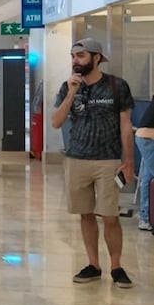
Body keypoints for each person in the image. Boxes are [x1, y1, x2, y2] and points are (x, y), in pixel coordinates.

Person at [50, 38, 135, 289]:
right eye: (73, 56)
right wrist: (72, 91)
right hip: (77, 158)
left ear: (96, 58)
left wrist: (128, 161)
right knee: (85, 214)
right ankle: (93, 264)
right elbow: (56, 122)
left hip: (108, 159)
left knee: (110, 215)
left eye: (81, 55)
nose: (76, 61)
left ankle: (117, 266)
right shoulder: (69, 87)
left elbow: (126, 126)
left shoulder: (117, 86)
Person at [135, 100, 154, 231]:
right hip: (148, 139)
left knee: (148, 177)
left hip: (145, 137)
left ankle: (145, 217)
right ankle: (145, 217)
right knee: (149, 178)